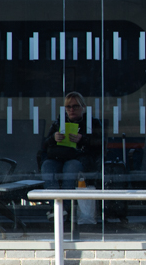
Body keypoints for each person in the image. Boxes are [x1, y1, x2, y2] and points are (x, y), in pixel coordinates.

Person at [39, 92, 104, 226]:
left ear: (83, 107)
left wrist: (82, 139)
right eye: (68, 107)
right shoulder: (59, 122)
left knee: (71, 168)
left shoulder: (92, 123)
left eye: (75, 106)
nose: (71, 110)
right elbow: (44, 145)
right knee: (47, 167)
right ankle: (56, 207)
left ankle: (64, 208)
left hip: (80, 158)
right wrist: (53, 138)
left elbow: (100, 143)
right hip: (59, 157)